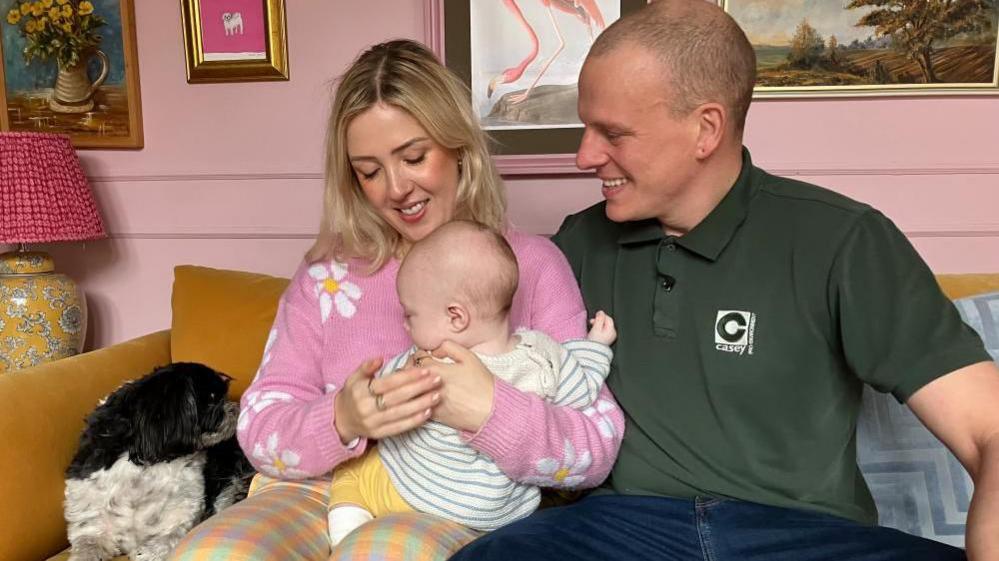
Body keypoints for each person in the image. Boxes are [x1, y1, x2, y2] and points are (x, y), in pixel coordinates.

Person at [450, 1, 999, 560]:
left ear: (705, 129)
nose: (584, 155)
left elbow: (989, 430)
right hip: (617, 532)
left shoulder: (844, 241)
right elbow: (479, 349)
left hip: (807, 538)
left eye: (613, 133)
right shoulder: (575, 248)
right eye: (586, 126)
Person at [169, 39, 624, 561]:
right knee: (211, 554)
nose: (396, 188)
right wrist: (342, 419)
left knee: (379, 553)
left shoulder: (534, 267)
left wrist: (491, 412)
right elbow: (258, 429)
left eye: (413, 157)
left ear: (458, 146)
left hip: (450, 505)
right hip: (319, 492)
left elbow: (596, 447)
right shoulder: (328, 277)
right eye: (369, 170)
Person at [327, 219, 617, 544]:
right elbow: (584, 390)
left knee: (351, 473)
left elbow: (379, 402)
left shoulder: (428, 361)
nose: (405, 327)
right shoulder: (542, 355)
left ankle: (346, 536)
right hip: (493, 515)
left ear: (456, 317)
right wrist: (596, 347)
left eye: (409, 315)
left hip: (403, 488)